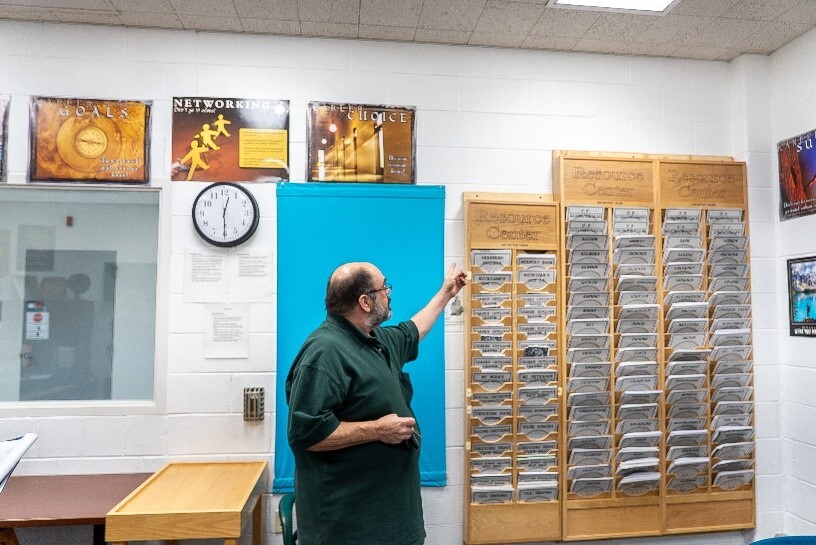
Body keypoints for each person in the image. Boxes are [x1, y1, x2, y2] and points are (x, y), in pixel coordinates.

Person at [285, 261, 467, 545]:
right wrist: (377, 430)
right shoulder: (325, 352)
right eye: (385, 288)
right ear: (365, 302)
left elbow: (412, 331)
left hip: (392, 523)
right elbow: (306, 433)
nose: (389, 294)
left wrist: (446, 293)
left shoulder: (375, 339)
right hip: (349, 529)